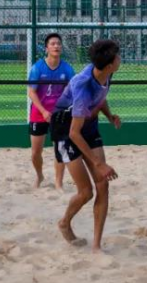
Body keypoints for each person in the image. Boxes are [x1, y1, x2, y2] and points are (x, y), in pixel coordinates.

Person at [51, 39, 121, 252]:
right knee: (86, 192)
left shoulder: (105, 73)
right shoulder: (83, 86)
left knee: (103, 185)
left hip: (88, 124)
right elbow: (74, 132)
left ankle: (96, 246)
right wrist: (99, 164)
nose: (120, 59)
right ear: (109, 64)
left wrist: (109, 115)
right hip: (66, 130)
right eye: (118, 56)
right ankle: (64, 222)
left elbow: (101, 96)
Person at [27, 32, 76, 189]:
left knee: (60, 149)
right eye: (53, 44)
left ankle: (58, 183)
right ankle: (39, 176)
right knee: (35, 153)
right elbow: (31, 92)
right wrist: (43, 111)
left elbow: (73, 91)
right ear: (46, 48)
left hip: (59, 114)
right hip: (39, 113)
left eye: (58, 44)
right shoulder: (37, 68)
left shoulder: (67, 69)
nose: (56, 46)